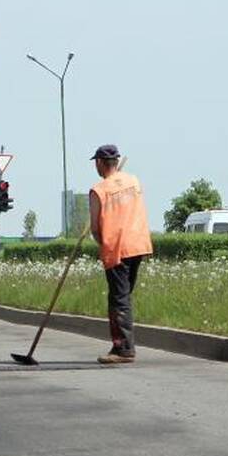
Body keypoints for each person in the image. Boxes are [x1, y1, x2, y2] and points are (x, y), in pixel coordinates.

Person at [88, 144, 153, 364]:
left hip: (117, 249)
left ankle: (123, 349)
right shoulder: (133, 181)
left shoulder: (99, 190)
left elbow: (96, 229)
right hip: (138, 244)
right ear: (116, 162)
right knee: (123, 296)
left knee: (119, 299)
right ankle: (121, 345)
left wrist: (102, 243)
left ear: (99, 163)